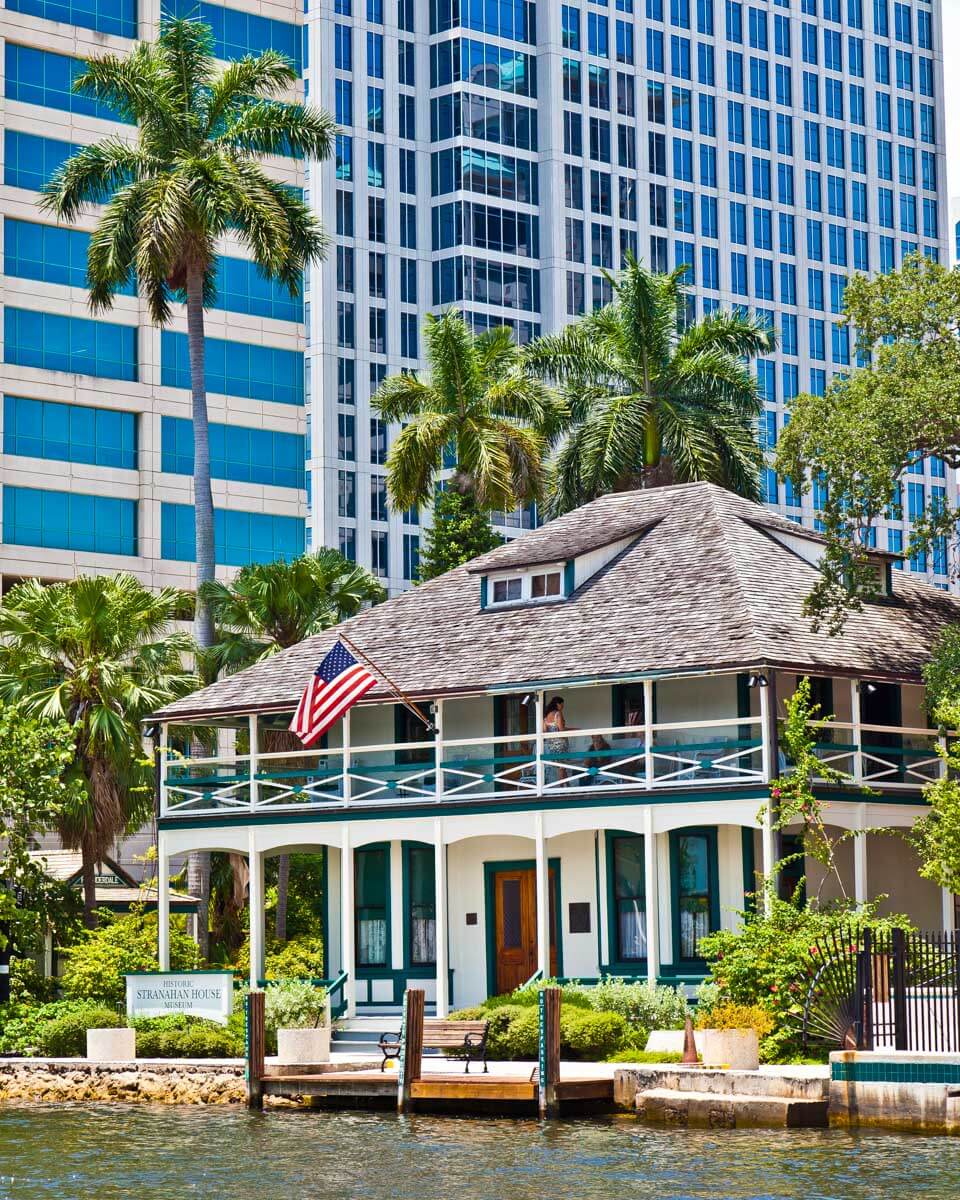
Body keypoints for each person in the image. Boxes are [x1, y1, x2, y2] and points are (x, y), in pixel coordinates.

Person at [543, 697, 570, 786]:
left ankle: (568, 786)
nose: (563, 707)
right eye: (562, 704)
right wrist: (572, 730)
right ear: (557, 704)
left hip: (551, 744)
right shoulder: (558, 714)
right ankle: (562, 788)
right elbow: (561, 730)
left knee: (561, 767)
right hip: (560, 743)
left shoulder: (546, 716)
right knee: (562, 767)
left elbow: (544, 731)